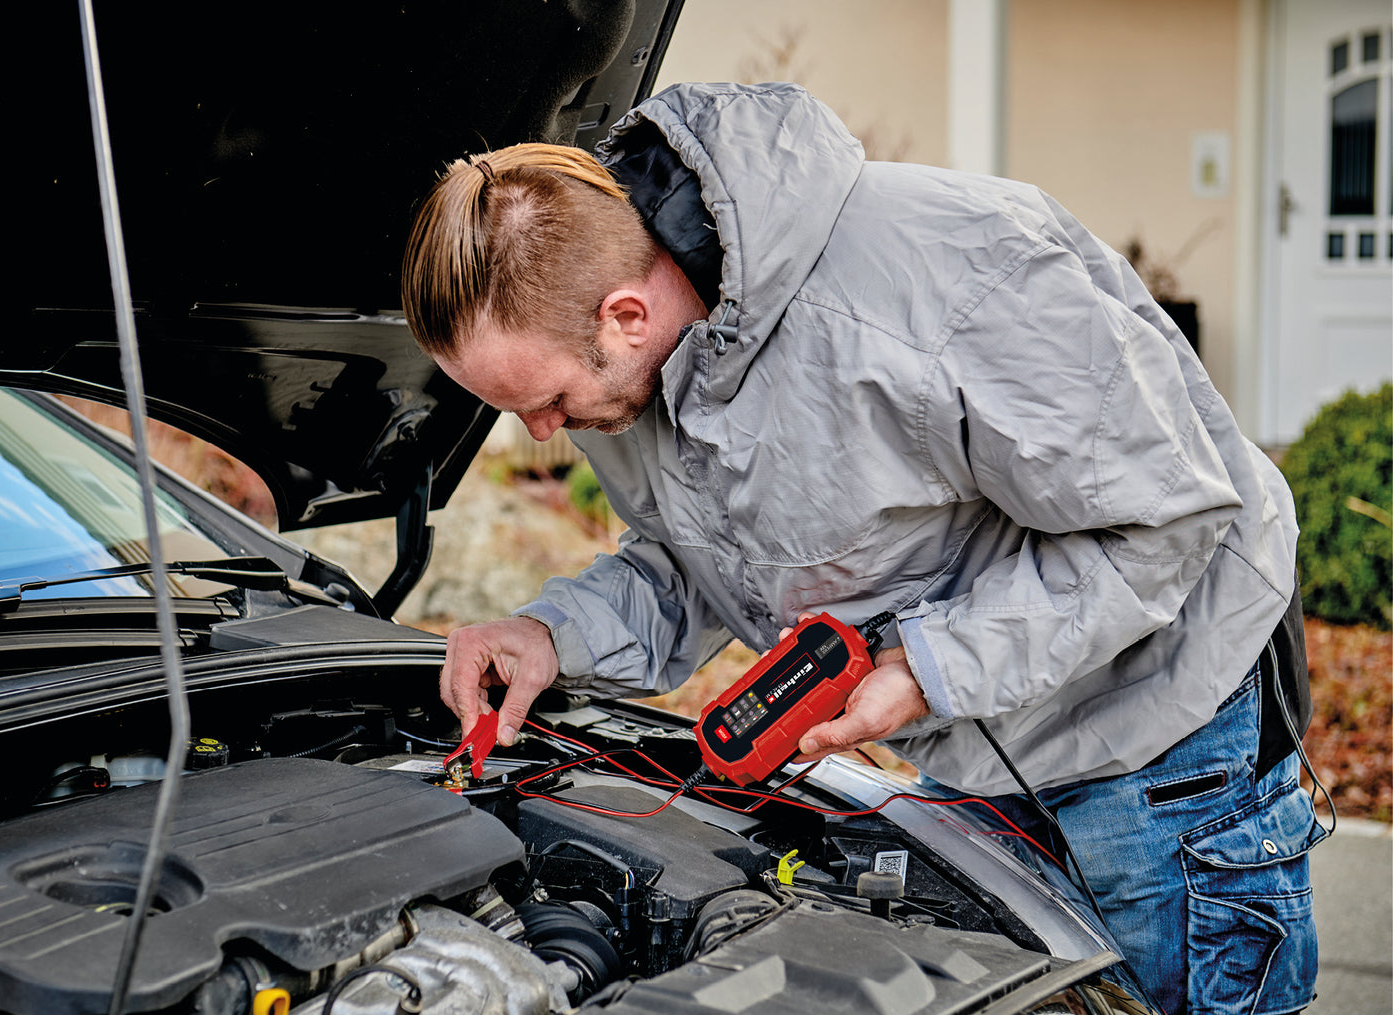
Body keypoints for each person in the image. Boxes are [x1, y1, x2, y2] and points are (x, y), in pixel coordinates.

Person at [401, 82, 1323, 1014]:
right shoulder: (639, 366)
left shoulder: (954, 280)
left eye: (547, 401)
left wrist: (927, 668)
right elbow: (695, 561)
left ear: (626, 315)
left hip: (1161, 736)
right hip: (978, 747)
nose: (544, 432)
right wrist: (551, 635)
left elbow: (1164, 518)